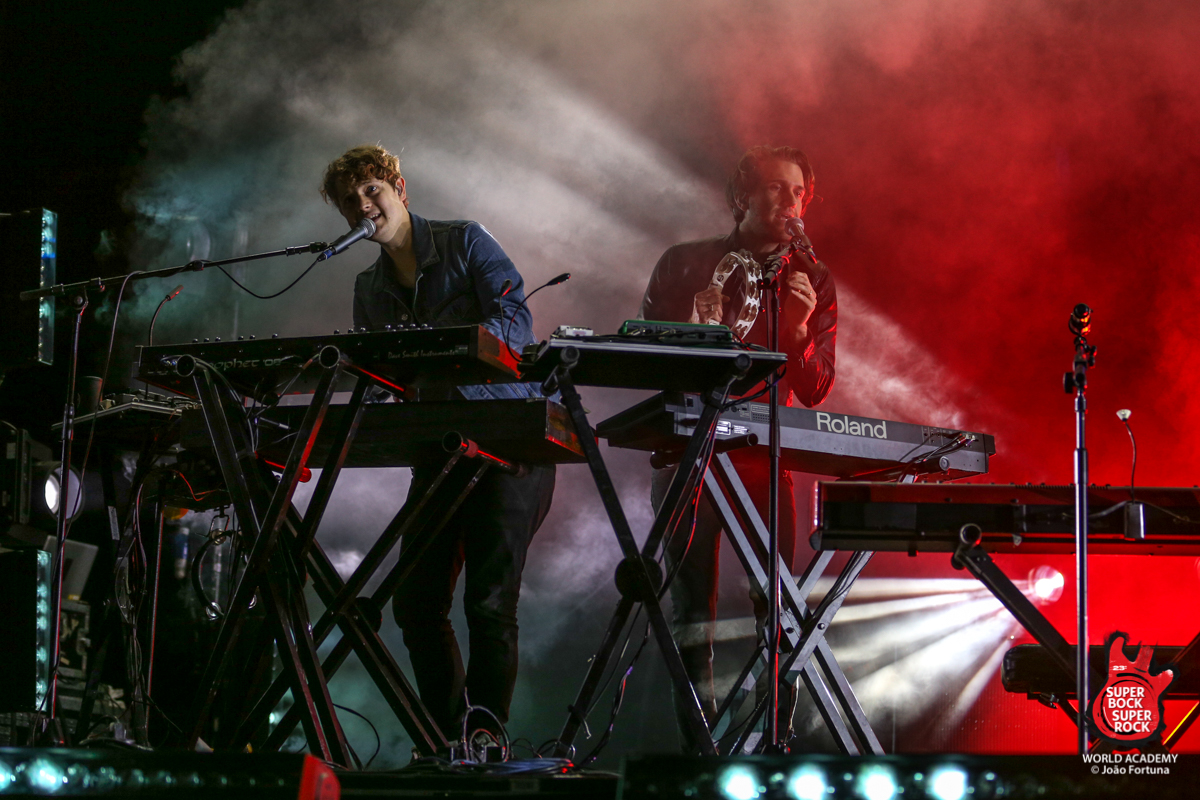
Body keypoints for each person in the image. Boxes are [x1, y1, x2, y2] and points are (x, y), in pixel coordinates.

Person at [320, 144, 556, 741]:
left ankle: (488, 740)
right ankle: (450, 741)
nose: (363, 206)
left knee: (488, 604)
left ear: (400, 188)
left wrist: (446, 353)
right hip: (439, 449)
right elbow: (378, 378)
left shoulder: (465, 240)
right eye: (351, 202)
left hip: (508, 446)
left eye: (371, 190)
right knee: (416, 605)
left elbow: (515, 324)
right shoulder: (368, 288)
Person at [637, 145, 837, 749]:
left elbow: (818, 387)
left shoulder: (815, 278)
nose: (788, 202)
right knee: (693, 614)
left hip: (763, 460)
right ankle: (702, 752)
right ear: (741, 196)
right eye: (775, 188)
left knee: (775, 610)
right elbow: (643, 361)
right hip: (688, 454)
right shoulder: (684, 263)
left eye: (797, 192)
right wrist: (695, 339)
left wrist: (800, 333)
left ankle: (769, 749)